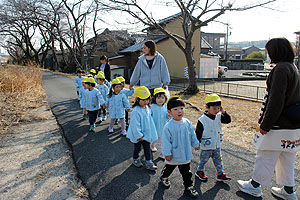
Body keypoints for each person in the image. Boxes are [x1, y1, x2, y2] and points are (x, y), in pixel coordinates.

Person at [237, 38, 300, 199]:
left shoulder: (280, 70)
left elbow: (276, 101)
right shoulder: (293, 68)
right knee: (287, 158)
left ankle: (255, 186)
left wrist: (265, 124)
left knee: (265, 155)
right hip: (293, 126)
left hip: (278, 125)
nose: (268, 54)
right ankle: (288, 190)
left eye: (269, 51)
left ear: (276, 52)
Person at [160, 96, 200, 198]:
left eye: (182, 108)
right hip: (173, 155)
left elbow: (192, 134)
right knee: (169, 168)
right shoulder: (168, 126)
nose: (179, 111)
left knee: (186, 172)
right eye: (176, 109)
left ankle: (189, 187)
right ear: (169, 112)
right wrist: (167, 153)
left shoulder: (187, 122)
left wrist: (195, 144)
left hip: (185, 154)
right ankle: (164, 177)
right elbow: (166, 142)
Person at [195, 94, 231, 182]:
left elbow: (228, 120)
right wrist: (197, 143)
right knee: (203, 160)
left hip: (216, 144)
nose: (216, 110)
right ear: (207, 107)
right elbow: (198, 133)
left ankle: (220, 174)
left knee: (219, 160)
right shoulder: (202, 119)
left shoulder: (219, 116)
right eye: (214, 108)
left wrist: (223, 112)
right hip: (206, 145)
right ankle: (199, 171)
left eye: (218, 108)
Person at [126, 86, 158, 171]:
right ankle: (135, 158)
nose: (145, 102)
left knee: (147, 148)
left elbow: (149, 120)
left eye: (147, 99)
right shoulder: (136, 111)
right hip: (139, 136)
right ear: (137, 99)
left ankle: (149, 162)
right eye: (143, 100)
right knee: (137, 148)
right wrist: (138, 135)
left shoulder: (147, 108)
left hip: (146, 133)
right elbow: (134, 125)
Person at [150, 87, 169, 158]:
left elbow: (167, 116)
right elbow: (149, 116)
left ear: (165, 98)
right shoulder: (152, 107)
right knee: (155, 139)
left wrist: (169, 115)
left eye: (162, 98)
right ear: (154, 99)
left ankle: (160, 152)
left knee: (161, 142)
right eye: (158, 98)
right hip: (154, 127)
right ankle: (153, 146)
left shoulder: (165, 107)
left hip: (163, 128)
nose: (160, 100)